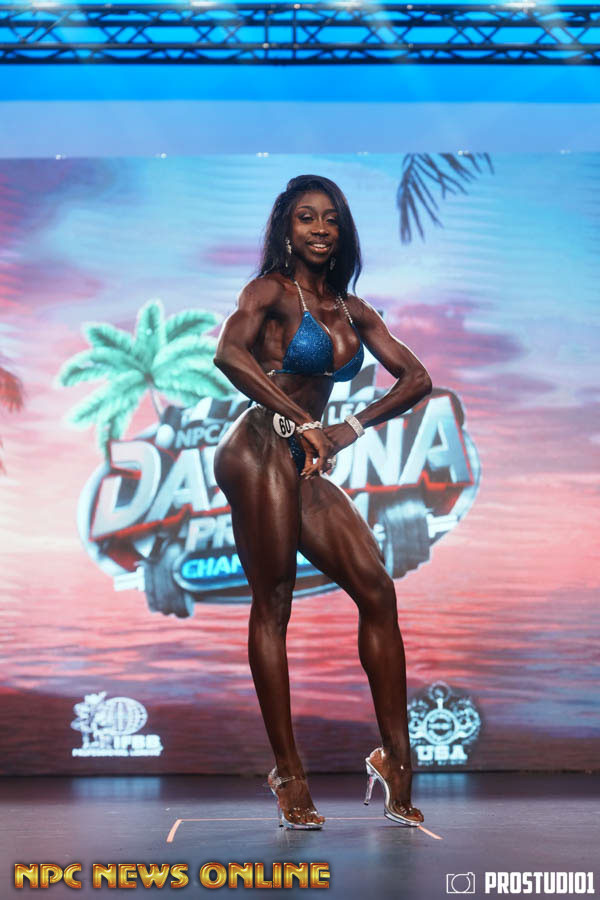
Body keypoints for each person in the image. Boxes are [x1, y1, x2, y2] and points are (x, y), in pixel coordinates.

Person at [213, 174, 432, 830]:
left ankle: (396, 759)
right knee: (274, 602)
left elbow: (417, 379)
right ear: (287, 227)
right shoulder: (269, 293)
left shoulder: (353, 310)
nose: (319, 228)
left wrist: (348, 427)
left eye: (330, 218)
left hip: (302, 459)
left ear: (342, 232)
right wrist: (303, 420)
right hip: (257, 445)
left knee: (377, 591)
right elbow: (228, 354)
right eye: (306, 216)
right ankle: (288, 771)